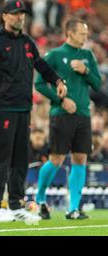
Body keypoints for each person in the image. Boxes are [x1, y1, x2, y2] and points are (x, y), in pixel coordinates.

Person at [0, 0, 67, 223]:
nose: (20, 17)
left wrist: (57, 79)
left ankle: (15, 205)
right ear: (4, 16)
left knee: (20, 159)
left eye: (22, 14)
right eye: (15, 13)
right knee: (0, 158)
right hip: (3, 110)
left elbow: (40, 65)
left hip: (23, 108)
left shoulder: (28, 43)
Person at [34, 19, 102, 220]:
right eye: (82, 33)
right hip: (61, 114)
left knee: (80, 158)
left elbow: (98, 84)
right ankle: (39, 199)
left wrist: (86, 70)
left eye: (86, 33)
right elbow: (39, 83)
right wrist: (60, 100)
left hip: (83, 114)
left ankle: (73, 208)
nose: (86, 37)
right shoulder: (55, 55)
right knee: (56, 159)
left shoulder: (88, 55)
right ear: (70, 33)